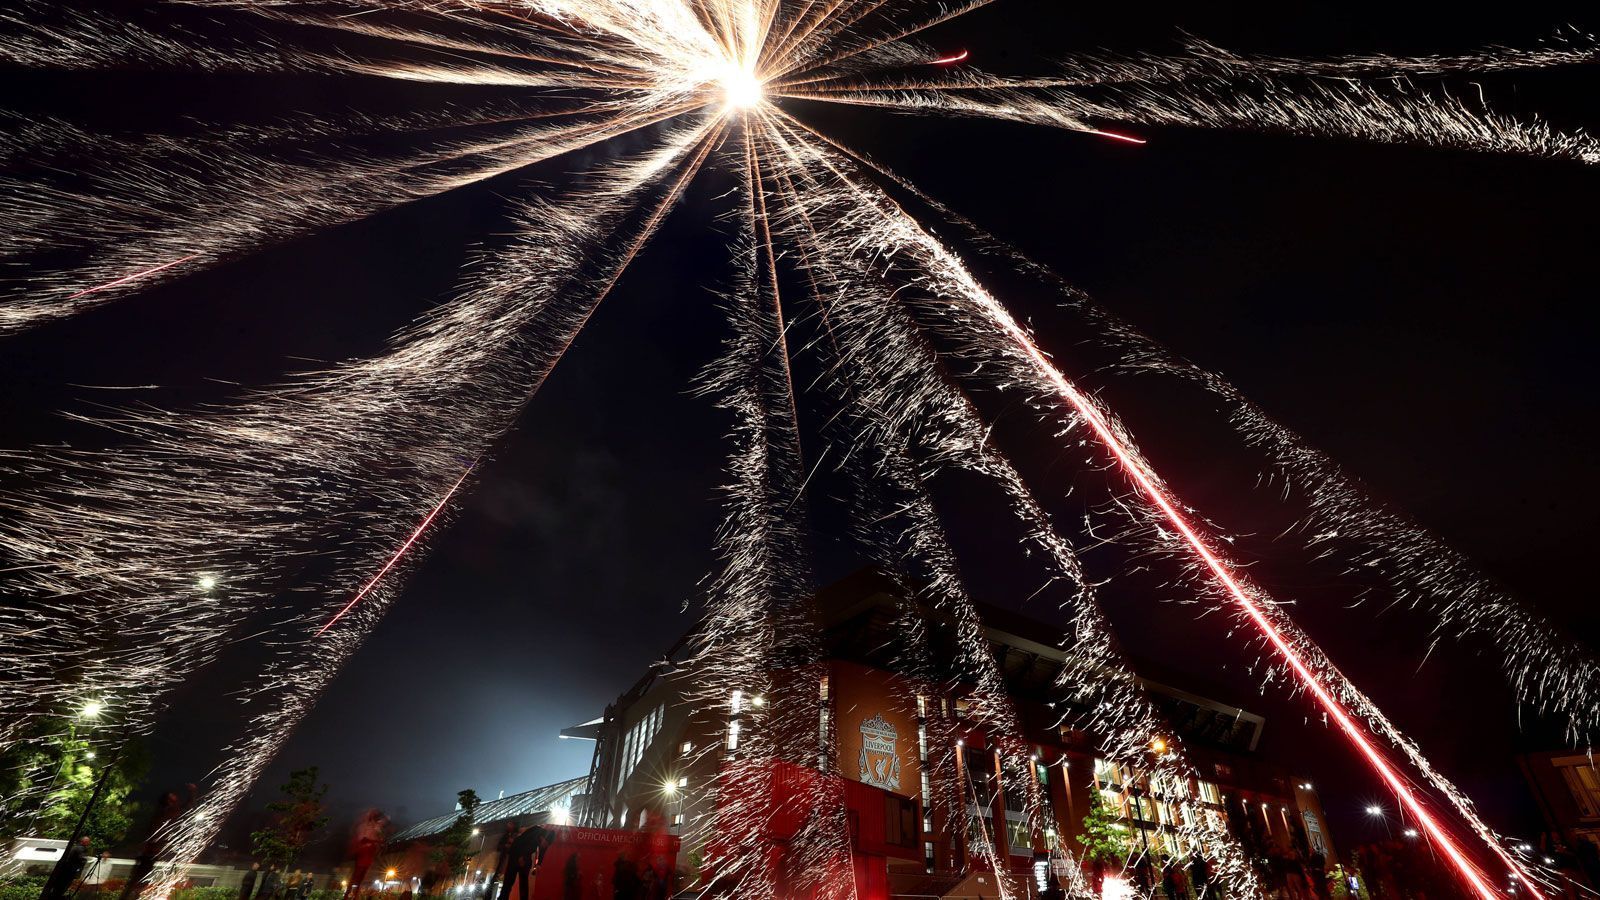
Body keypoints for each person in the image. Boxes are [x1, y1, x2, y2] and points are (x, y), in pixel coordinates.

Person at [119, 785, 197, 900]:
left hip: (152, 852)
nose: (174, 801)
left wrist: (192, 793)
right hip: (148, 852)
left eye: (174, 799)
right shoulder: (163, 813)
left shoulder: (168, 812)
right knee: (137, 881)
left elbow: (186, 806)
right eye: (171, 799)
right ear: (166, 801)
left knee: (140, 881)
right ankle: (129, 896)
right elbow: (153, 830)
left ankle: (132, 895)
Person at [498, 826, 552, 900]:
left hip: (525, 856)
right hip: (516, 853)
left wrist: (539, 864)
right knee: (509, 880)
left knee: (523, 882)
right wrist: (521, 857)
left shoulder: (544, 840)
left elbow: (542, 851)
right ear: (543, 837)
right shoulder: (535, 831)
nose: (544, 846)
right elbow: (522, 842)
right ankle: (503, 898)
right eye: (545, 843)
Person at [345, 811, 388, 899]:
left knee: (359, 877)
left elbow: (379, 839)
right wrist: (376, 841)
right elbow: (363, 839)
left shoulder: (376, 828)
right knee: (357, 876)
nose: (382, 823)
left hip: (368, 854)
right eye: (381, 821)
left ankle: (353, 895)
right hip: (364, 852)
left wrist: (379, 842)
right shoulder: (366, 826)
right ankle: (349, 895)